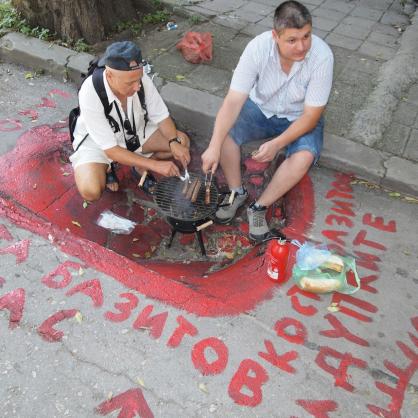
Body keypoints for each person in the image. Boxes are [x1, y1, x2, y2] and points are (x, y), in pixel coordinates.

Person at [201, 1, 334, 241]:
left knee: (304, 156)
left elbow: (312, 116)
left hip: (298, 116)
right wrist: (213, 145)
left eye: (306, 36)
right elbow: (232, 101)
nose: (302, 46)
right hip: (260, 108)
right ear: (275, 36)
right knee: (223, 135)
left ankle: (259, 207)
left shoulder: (322, 56)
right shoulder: (257, 48)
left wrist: (277, 143)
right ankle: (236, 192)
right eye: (292, 40)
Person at [70, 41, 190, 201]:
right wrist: (157, 166)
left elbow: (161, 116)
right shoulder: (89, 92)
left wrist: (173, 142)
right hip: (98, 144)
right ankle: (108, 167)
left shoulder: (138, 79)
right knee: (91, 191)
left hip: (134, 133)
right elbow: (111, 149)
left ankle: (141, 167)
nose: (137, 87)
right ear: (109, 75)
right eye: (130, 83)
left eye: (138, 80)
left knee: (182, 142)